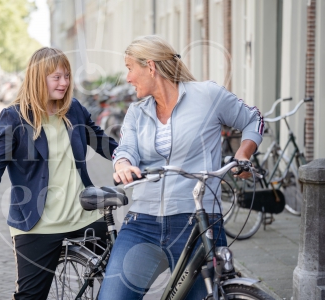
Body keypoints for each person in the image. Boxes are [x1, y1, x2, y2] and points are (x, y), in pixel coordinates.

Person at [0, 47, 118, 300]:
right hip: (37, 225)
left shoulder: (74, 109)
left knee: (123, 280)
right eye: (56, 77)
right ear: (38, 77)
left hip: (84, 215)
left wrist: (126, 159)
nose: (64, 83)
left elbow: (102, 142)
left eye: (66, 76)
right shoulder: (14, 117)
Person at [99, 36, 264, 299]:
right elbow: (126, 149)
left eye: (130, 68)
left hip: (198, 222)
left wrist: (243, 155)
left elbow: (253, 119)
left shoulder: (208, 95)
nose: (128, 78)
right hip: (143, 222)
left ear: (150, 67)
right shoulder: (136, 112)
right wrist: (122, 163)